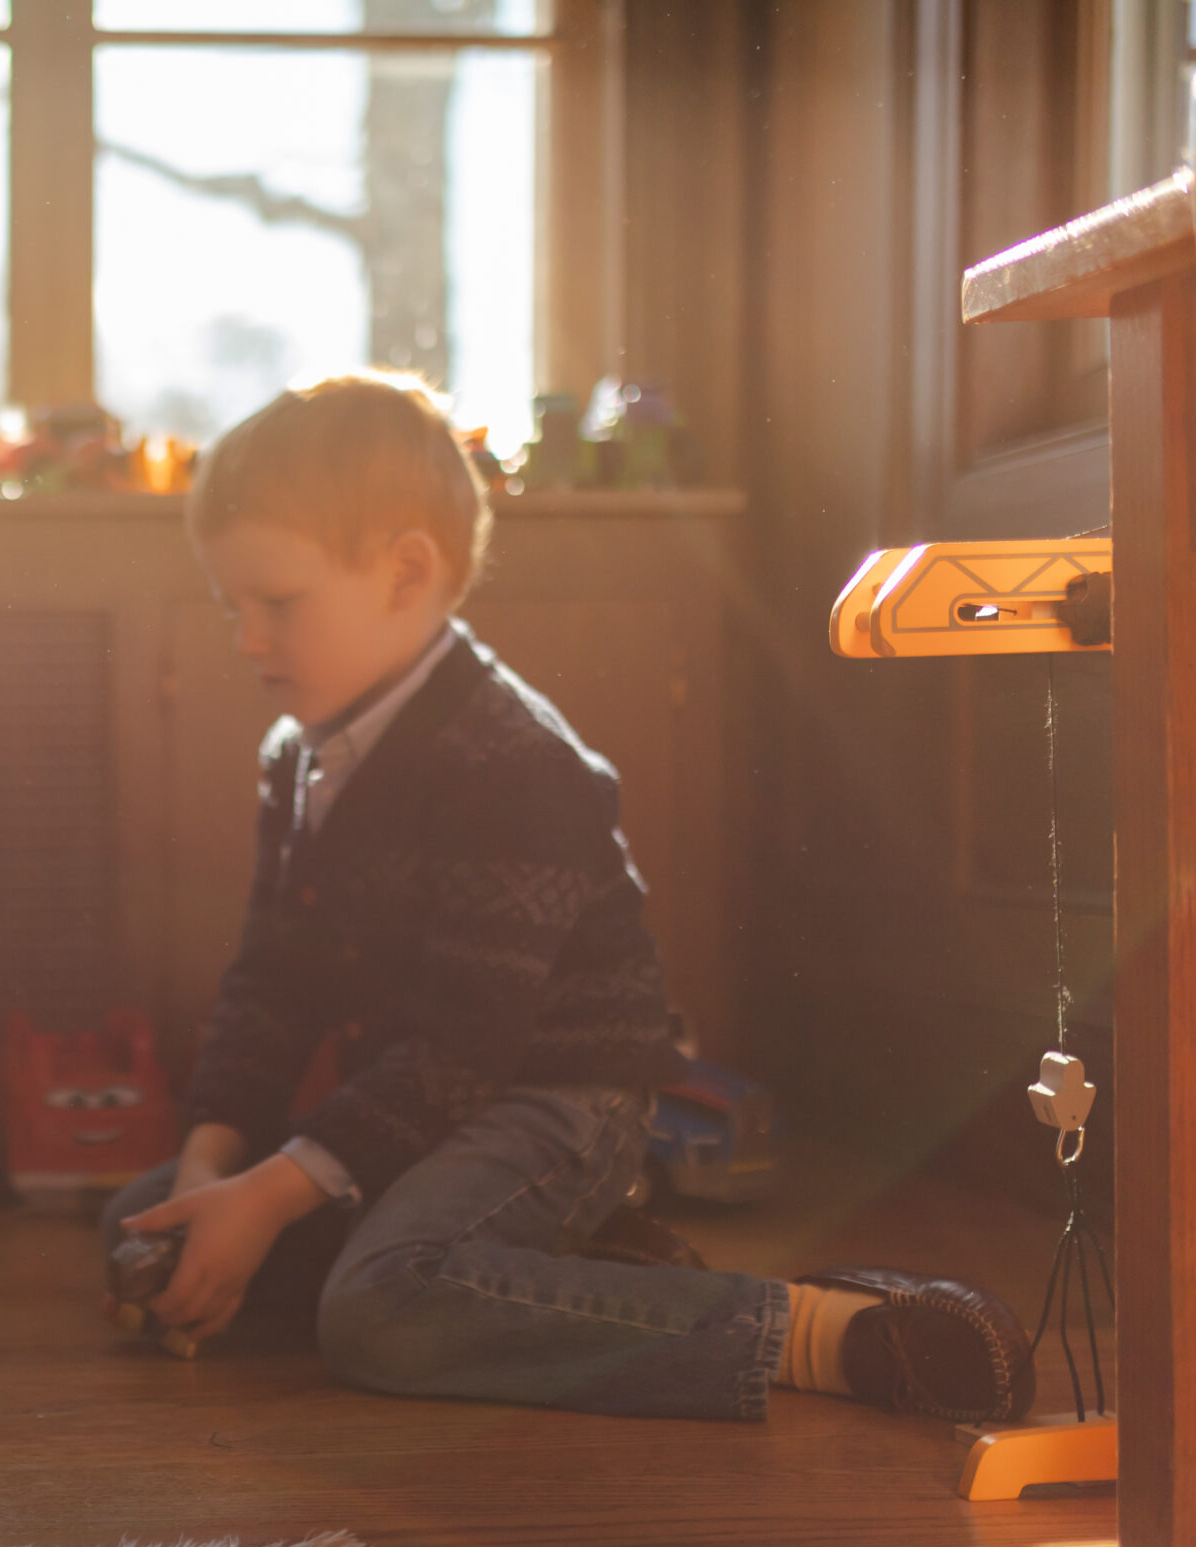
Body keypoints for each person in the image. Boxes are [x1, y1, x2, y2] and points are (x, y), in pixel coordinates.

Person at [104, 374, 1034, 1426]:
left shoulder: (510, 761)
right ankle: (543, 1267)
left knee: (380, 1315)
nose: (245, 642)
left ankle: (818, 1330)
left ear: (407, 573)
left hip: (553, 1100)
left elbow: (469, 1047)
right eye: (233, 608)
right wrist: (208, 1172)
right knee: (141, 1221)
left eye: (275, 604)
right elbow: (268, 981)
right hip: (412, 1103)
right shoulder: (299, 757)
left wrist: (269, 1196)